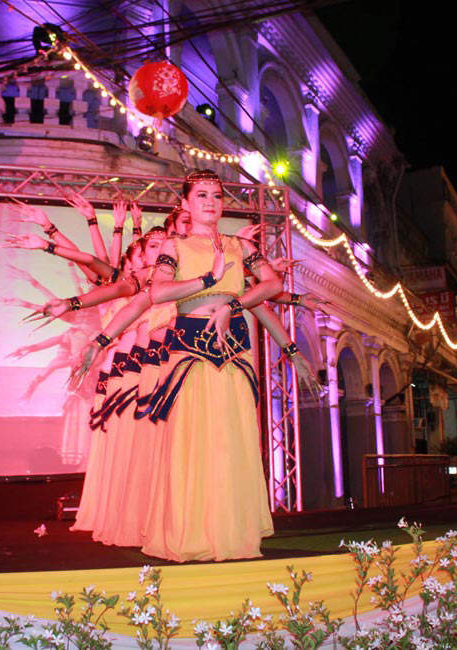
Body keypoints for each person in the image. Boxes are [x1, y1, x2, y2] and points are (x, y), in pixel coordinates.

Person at [129, 169, 311, 561]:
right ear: (185, 203)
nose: (210, 202)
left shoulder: (239, 246)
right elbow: (159, 292)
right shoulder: (175, 246)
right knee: (191, 441)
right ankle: (190, 535)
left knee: (232, 440)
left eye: (216, 196)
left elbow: (272, 285)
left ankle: (232, 534)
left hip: (233, 351)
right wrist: (208, 279)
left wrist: (233, 305)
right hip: (189, 353)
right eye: (201, 195)